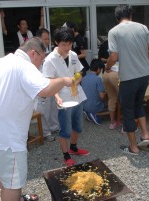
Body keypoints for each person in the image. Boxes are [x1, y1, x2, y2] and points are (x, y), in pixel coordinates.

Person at [0, 37, 73, 201]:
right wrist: (64, 80)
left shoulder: (2, 62)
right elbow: (45, 89)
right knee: (14, 181)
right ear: (33, 53)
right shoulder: (24, 65)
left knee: (6, 171)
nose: (40, 65)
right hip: (3, 134)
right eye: (41, 60)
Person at [105, 4, 149, 155]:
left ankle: (133, 147)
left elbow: (113, 56)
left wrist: (107, 67)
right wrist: (143, 61)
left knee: (128, 110)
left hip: (129, 77)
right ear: (131, 15)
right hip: (145, 74)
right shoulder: (143, 27)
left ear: (117, 18)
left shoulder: (114, 31)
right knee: (139, 104)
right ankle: (145, 134)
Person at [42, 27, 89, 166]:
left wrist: (77, 79)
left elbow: (79, 72)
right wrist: (57, 97)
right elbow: (50, 82)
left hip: (77, 96)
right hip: (63, 100)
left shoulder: (73, 55)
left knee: (78, 127)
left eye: (69, 44)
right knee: (65, 130)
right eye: (64, 44)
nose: (67, 47)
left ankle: (73, 147)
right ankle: (66, 155)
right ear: (56, 42)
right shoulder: (50, 60)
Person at [35, 28, 59, 142]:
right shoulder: (34, 51)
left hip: (50, 82)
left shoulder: (47, 51)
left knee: (53, 106)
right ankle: (46, 133)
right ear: (38, 38)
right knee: (43, 108)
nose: (47, 41)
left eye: (48, 39)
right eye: (45, 39)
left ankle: (54, 127)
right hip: (40, 84)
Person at [99, 40, 121, 129]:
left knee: (112, 99)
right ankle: (126, 126)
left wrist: (107, 66)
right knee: (124, 99)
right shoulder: (120, 44)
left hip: (106, 73)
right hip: (116, 73)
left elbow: (101, 58)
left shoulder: (105, 44)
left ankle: (112, 123)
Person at [81, 59, 106, 125]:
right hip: (95, 106)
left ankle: (88, 112)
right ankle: (95, 114)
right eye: (100, 69)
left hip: (84, 105)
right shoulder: (98, 79)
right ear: (98, 69)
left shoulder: (84, 78)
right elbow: (102, 96)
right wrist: (106, 92)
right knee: (110, 103)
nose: (100, 71)